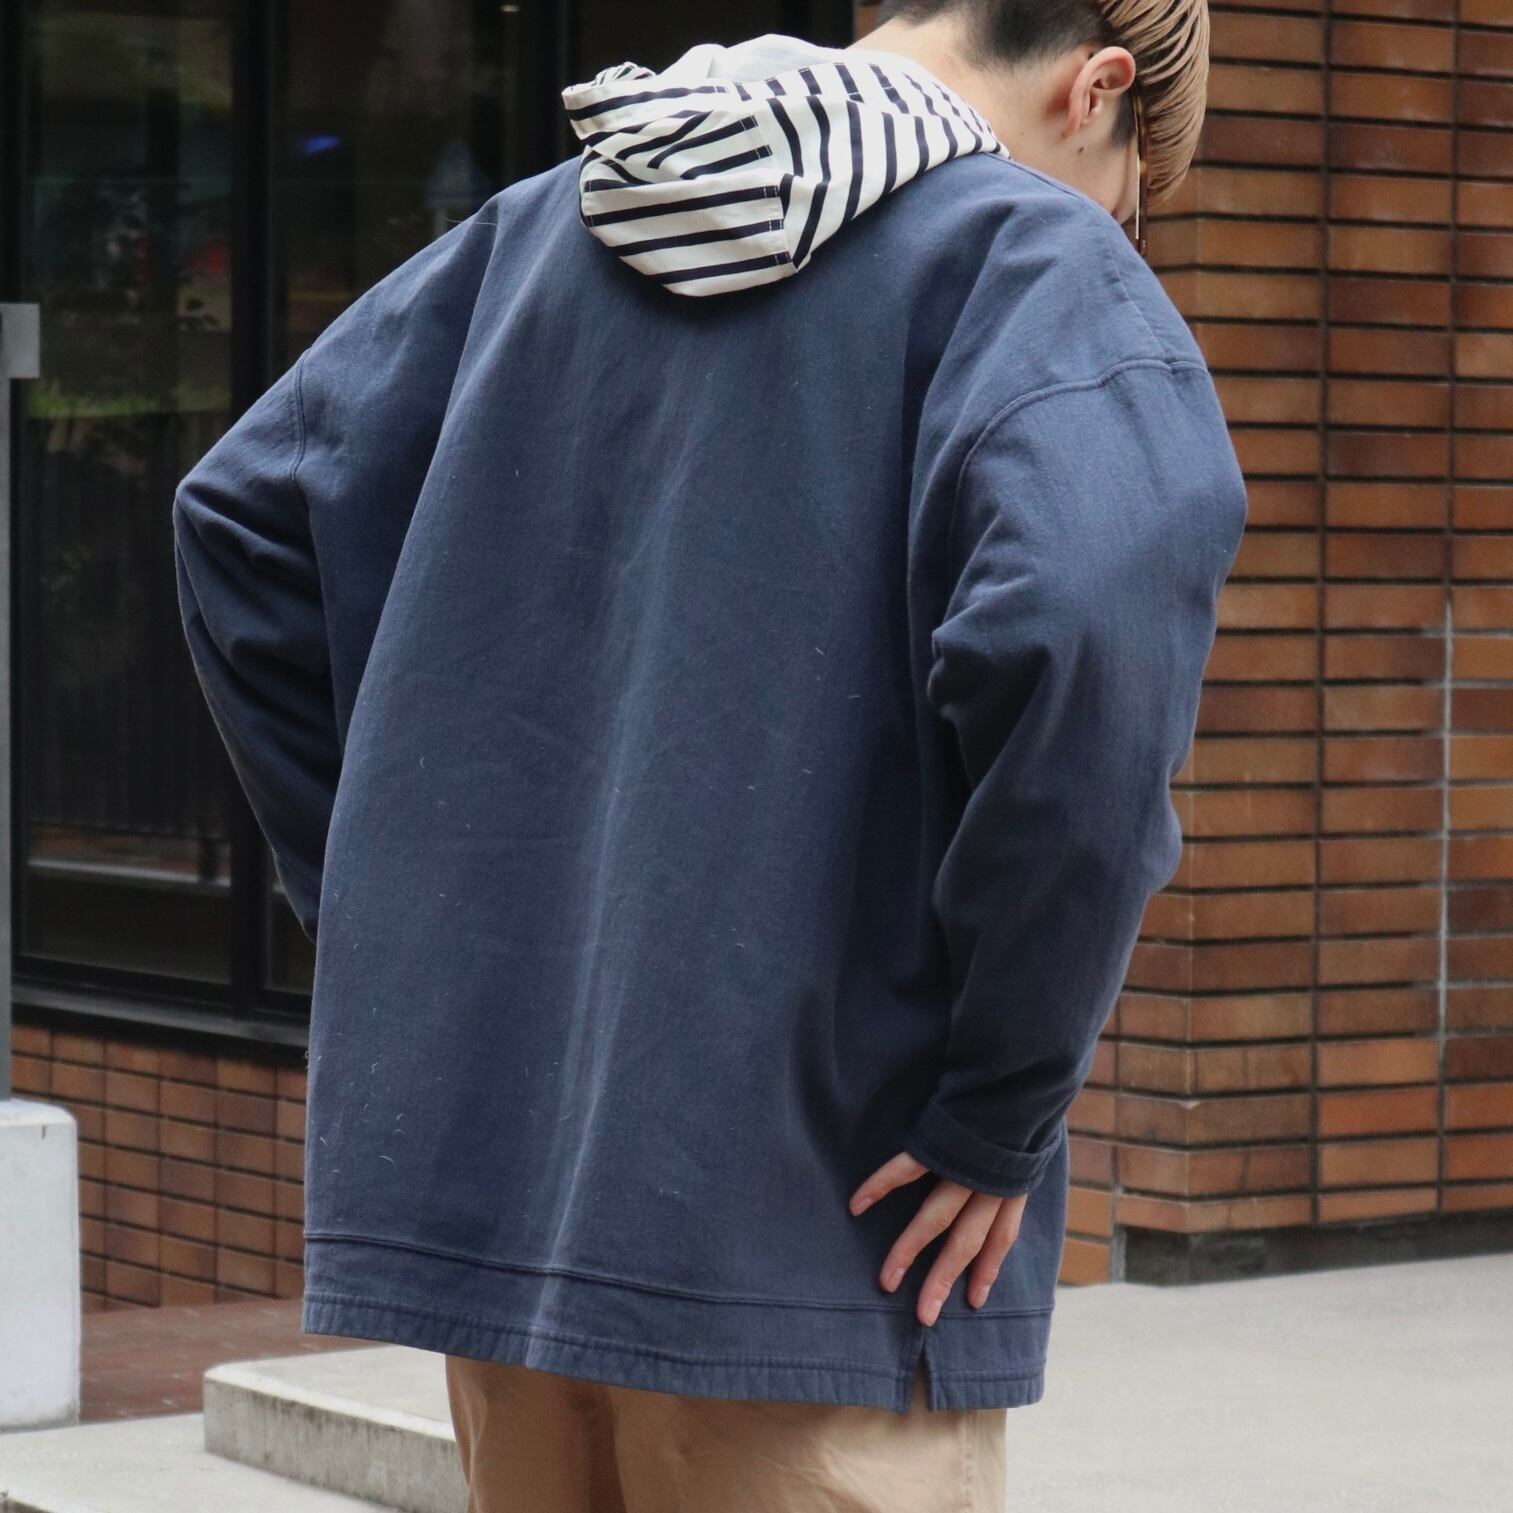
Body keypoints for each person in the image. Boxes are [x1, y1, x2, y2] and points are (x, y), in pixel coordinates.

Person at [171, 0, 1242, 1507]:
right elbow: (1079, 626)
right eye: (1130, 196)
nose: (1116, 231)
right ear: (1098, 88)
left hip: (523, 1214)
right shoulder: (1032, 265)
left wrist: (413, 922)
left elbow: (242, 523)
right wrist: (999, 1107)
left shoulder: (539, 235)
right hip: (831, 1230)